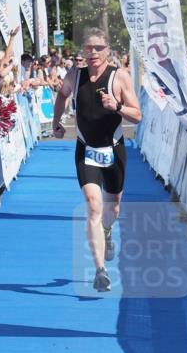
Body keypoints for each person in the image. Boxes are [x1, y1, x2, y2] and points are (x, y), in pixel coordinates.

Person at [51, 27, 142, 292]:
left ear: (108, 51)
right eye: (88, 48)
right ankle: (100, 270)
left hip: (113, 151)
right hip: (85, 149)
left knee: (112, 209)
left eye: (98, 48)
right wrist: (57, 122)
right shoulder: (75, 75)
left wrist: (117, 107)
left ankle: (108, 230)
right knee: (93, 205)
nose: (93, 53)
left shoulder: (120, 77)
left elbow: (138, 116)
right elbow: (62, 94)